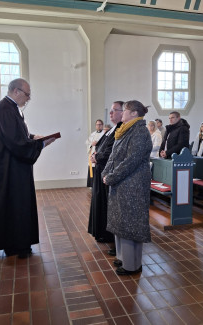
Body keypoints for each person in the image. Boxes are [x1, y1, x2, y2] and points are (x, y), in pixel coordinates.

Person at [0, 78, 56, 258]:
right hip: (8, 171)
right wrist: (41, 144)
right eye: (27, 94)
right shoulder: (6, 109)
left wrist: (32, 137)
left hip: (12, 169)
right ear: (16, 91)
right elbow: (16, 143)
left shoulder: (11, 108)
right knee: (14, 205)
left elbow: (16, 135)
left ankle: (16, 243)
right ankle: (15, 244)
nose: (28, 98)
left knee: (16, 205)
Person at [102, 100, 152, 275]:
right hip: (121, 183)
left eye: (125, 111)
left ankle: (132, 265)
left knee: (131, 225)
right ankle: (123, 258)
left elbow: (131, 161)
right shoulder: (124, 131)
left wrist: (112, 176)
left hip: (133, 184)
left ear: (134, 113)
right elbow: (114, 156)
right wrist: (106, 173)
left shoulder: (140, 132)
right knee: (121, 223)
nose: (121, 113)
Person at [88, 101, 123, 246]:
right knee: (98, 199)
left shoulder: (120, 129)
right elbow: (102, 146)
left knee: (104, 203)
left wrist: (97, 156)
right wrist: (95, 154)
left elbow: (112, 151)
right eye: (111, 110)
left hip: (107, 170)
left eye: (114, 110)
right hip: (100, 169)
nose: (111, 113)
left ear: (123, 112)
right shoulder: (111, 129)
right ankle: (100, 232)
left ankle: (106, 234)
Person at [85, 119, 104, 187]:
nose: (98, 126)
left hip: (99, 155)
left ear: (102, 125)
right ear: (95, 126)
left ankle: (98, 186)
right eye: (97, 125)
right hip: (92, 154)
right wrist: (91, 144)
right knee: (91, 169)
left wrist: (97, 144)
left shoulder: (104, 134)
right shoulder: (92, 134)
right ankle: (92, 185)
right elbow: (87, 143)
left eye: (100, 124)